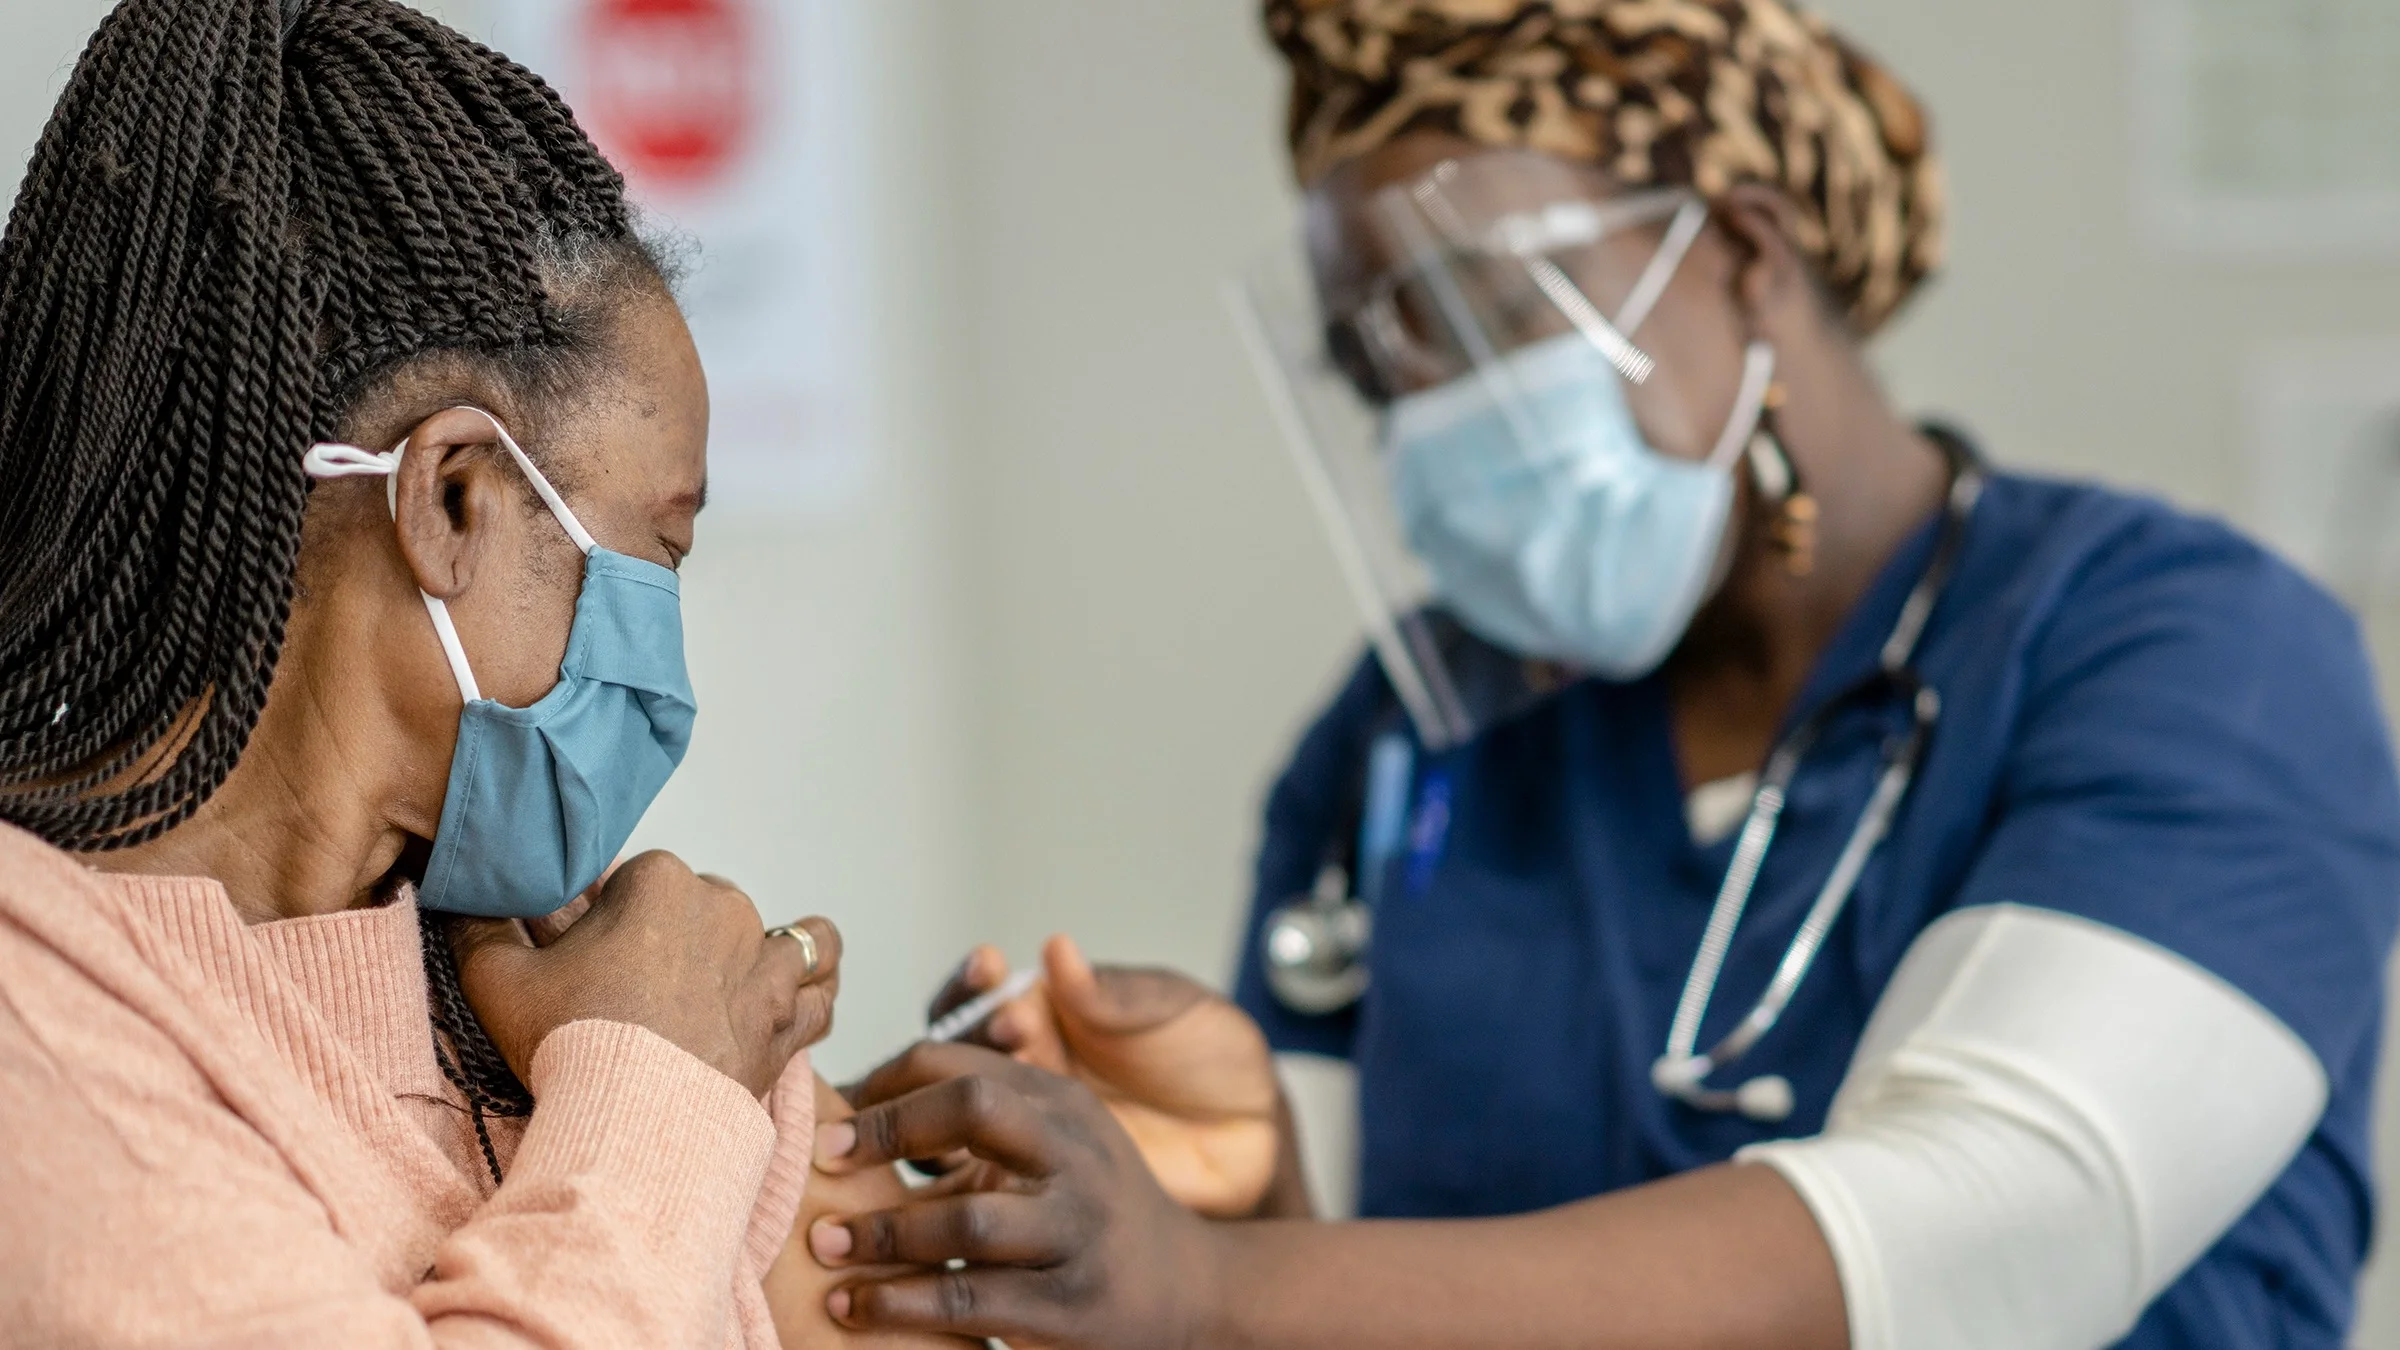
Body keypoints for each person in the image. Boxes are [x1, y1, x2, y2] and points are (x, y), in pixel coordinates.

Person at [799, 2, 2400, 1347]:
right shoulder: (1409, 733)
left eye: (1472, 314)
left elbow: (1996, 1220)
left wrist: (1213, 1278)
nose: (1429, 417)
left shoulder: (2188, 655)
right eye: (1377, 364)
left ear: (1746, 254)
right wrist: (1252, 1180)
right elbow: (1367, 1306)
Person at [0, 1, 960, 1345]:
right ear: (451, 499)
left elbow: (940, 1293)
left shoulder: (512, 978)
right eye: (656, 549)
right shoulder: (39, 1038)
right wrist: (660, 1086)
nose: (663, 661)